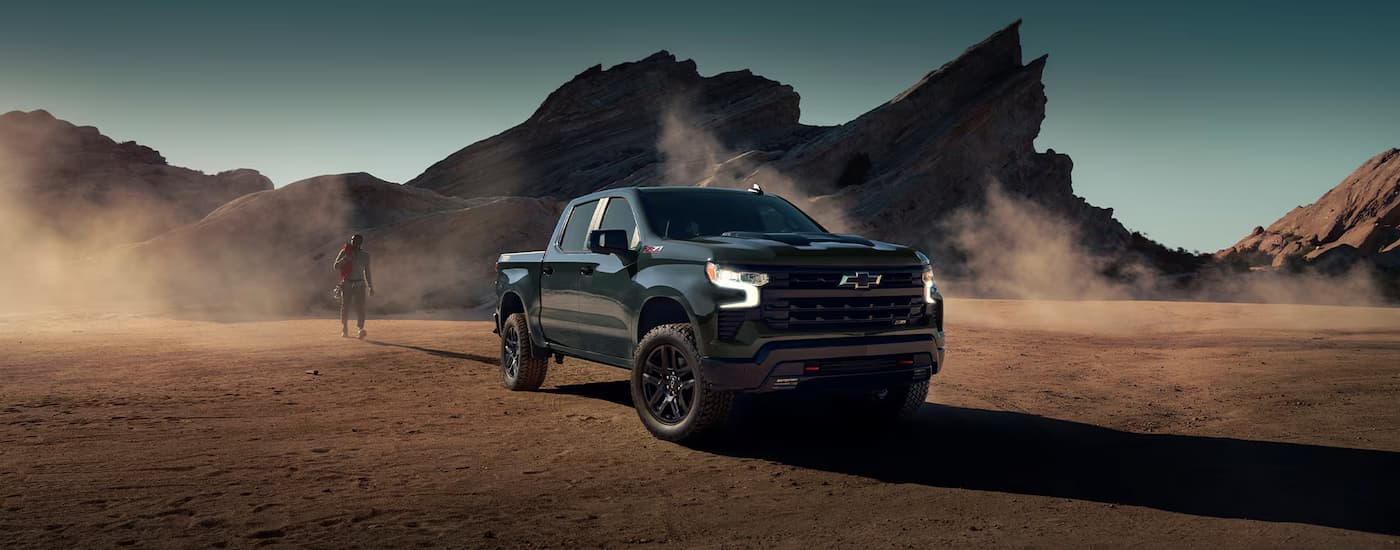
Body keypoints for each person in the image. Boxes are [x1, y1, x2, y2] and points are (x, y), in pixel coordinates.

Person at [333, 234, 374, 339]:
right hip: (347, 283)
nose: (353, 242)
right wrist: (345, 259)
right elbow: (336, 266)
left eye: (356, 241)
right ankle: (345, 328)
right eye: (352, 240)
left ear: (360, 242)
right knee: (345, 306)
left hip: (360, 283)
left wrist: (370, 286)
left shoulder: (365, 255)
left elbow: (367, 272)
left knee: (360, 306)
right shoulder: (344, 252)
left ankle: (360, 328)